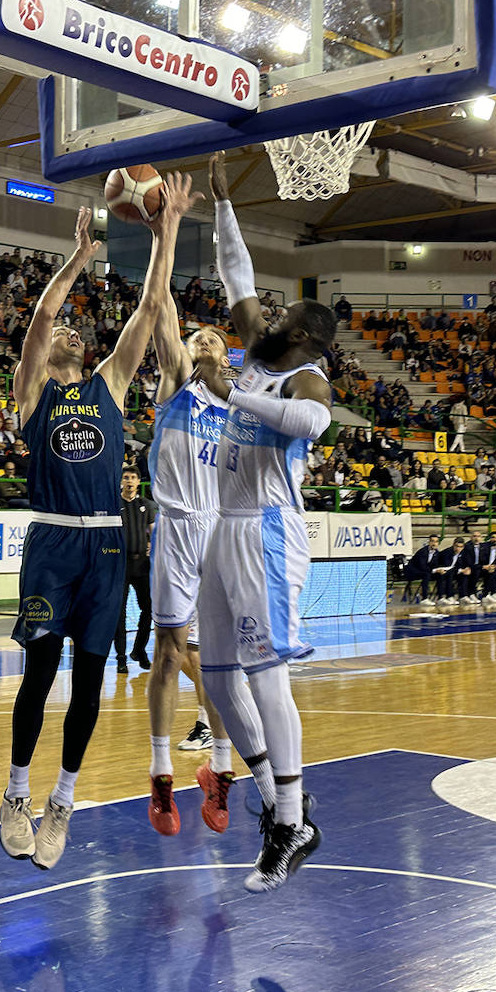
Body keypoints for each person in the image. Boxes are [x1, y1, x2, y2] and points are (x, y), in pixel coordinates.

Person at [0, 186, 195, 872]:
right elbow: (44, 311)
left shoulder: (110, 383)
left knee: (88, 679)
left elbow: (148, 309)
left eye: (76, 330)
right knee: (40, 670)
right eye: (61, 332)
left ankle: (62, 799)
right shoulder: (33, 392)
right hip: (52, 540)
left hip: (108, 542)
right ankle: (16, 790)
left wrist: (166, 229)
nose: (69, 329)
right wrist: (79, 255)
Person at [188, 152, 328, 892]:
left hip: (270, 530)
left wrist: (231, 396)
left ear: (309, 339)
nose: (275, 317)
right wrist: (223, 203)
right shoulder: (254, 343)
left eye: (291, 319)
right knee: (216, 675)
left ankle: (293, 817)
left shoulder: (304, 376)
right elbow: (237, 273)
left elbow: (310, 422)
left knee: (267, 672)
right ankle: (279, 801)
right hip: (222, 524)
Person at [140, 303, 237, 836]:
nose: (203, 342)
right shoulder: (177, 385)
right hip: (178, 528)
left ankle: (220, 770)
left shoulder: (240, 405)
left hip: (222, 531)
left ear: (228, 356)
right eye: (195, 337)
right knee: (169, 653)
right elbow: (161, 317)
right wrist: (167, 230)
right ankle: (160, 776)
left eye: (213, 340)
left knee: (220, 661)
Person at [115, 468, 155, 674]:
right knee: (119, 613)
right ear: (121, 481)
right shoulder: (114, 505)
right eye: (126, 477)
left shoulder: (146, 506)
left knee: (149, 608)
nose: (129, 481)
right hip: (120, 566)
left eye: (133, 478)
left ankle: (139, 650)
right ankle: (120, 657)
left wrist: (154, 549)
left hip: (142, 566)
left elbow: (154, 532)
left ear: (139, 482)